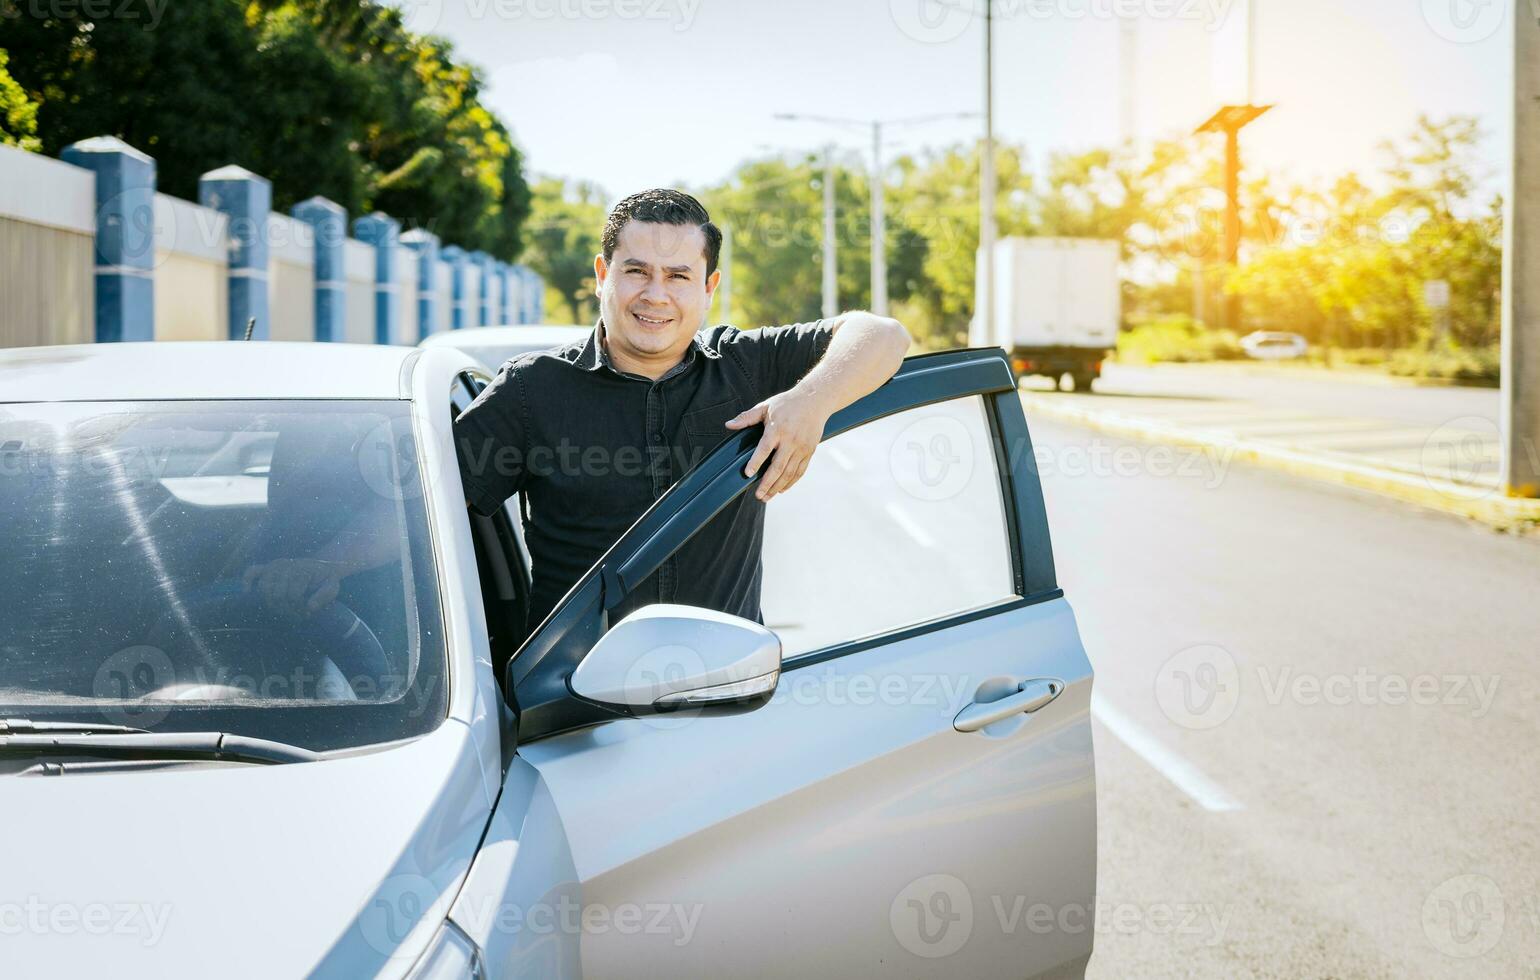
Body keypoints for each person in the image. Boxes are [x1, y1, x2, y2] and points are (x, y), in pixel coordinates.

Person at [453, 188, 910, 635]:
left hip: (726, 692)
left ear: (708, 286)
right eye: (636, 271)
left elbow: (883, 336)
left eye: (678, 276)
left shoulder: (745, 367)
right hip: (572, 701)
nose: (656, 295)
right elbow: (430, 521)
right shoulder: (532, 389)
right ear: (602, 274)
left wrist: (809, 402)